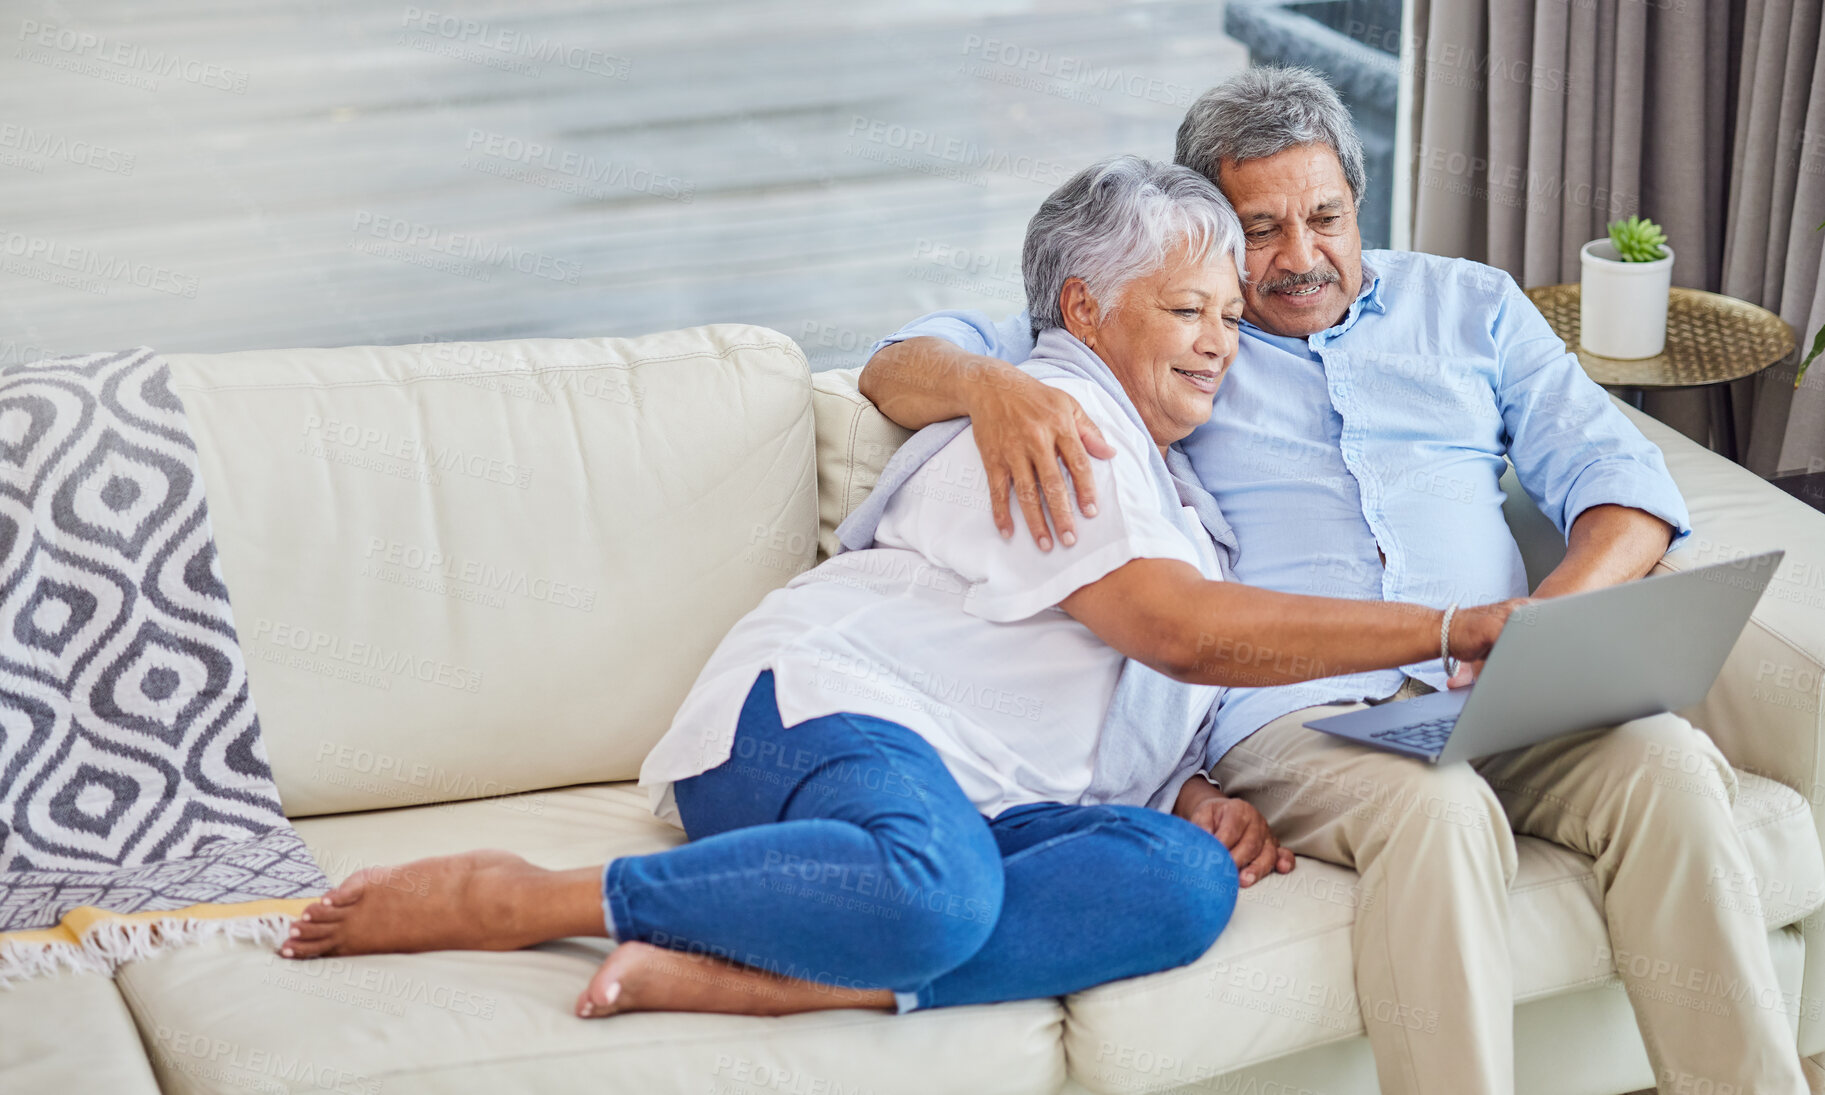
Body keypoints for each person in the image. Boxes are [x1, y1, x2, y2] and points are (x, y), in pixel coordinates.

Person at [276, 156, 1519, 1023]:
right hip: (820, 718)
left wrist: (1185, 786)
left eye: (1230, 321)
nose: (1216, 340)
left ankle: (767, 975)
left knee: (1180, 885)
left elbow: (1092, 667)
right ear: (1084, 310)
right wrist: (1454, 626)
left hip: (989, 795)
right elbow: (1170, 629)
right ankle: (519, 900)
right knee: (935, 890)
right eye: (1186, 308)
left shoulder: (1168, 484)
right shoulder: (1057, 413)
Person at [858, 67, 1806, 1095]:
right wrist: (985, 385)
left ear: (1362, 202)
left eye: (1325, 217)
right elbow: (897, 361)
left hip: (1506, 687)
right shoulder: (1172, 334)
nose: (1300, 257)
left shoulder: (1471, 307)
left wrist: (1539, 631)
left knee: (1667, 761)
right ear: (1210, 230)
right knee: (1439, 812)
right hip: (1297, 716)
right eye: (1260, 229)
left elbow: (1621, 487)